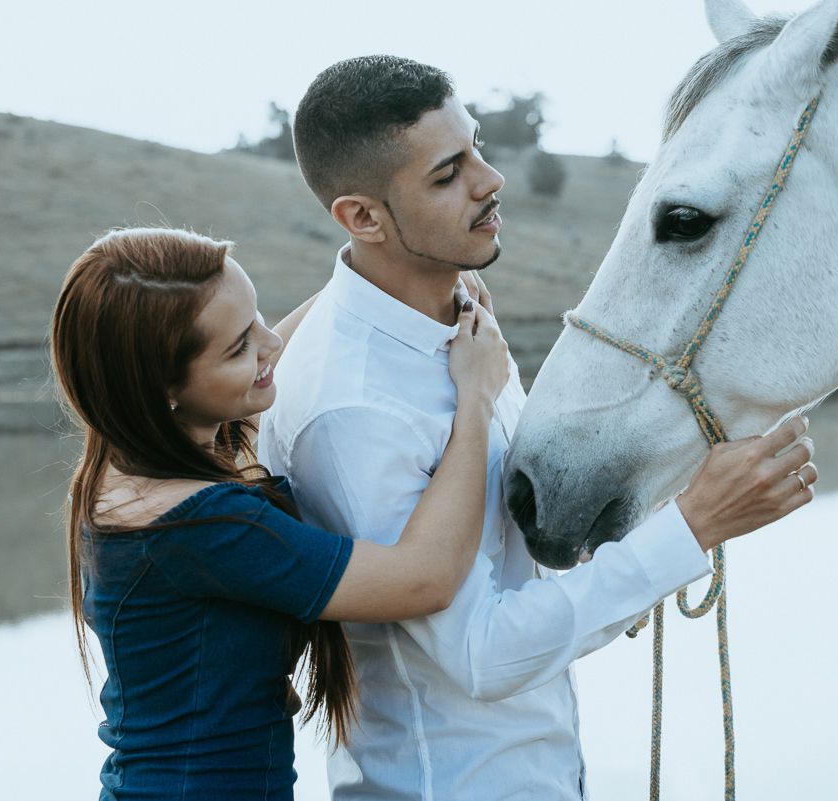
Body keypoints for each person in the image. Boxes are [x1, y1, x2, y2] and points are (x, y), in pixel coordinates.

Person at [260, 55, 819, 800]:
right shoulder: (351, 410)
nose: (490, 180)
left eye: (478, 146)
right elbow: (481, 652)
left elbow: (519, 560)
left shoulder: (460, 319)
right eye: (447, 173)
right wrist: (692, 526)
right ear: (363, 217)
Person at [50, 226, 514, 800]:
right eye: (239, 345)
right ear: (164, 388)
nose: (271, 345)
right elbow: (424, 578)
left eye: (257, 318)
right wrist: (477, 397)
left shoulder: (119, 476)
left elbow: (249, 398)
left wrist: (378, 270)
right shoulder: (207, 526)